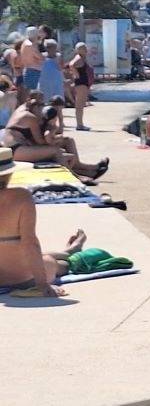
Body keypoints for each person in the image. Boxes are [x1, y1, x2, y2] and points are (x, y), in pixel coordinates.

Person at [0, 152, 66, 297]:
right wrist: (42, 284)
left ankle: (68, 251)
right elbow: (30, 243)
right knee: (52, 263)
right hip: (21, 277)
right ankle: (68, 255)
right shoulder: (21, 197)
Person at [1, 93, 107, 182]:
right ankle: (76, 176)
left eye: (43, 104)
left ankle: (86, 168)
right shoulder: (29, 117)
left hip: (22, 146)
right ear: (30, 101)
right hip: (16, 150)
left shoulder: (25, 108)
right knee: (56, 151)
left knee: (68, 141)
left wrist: (56, 132)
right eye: (40, 104)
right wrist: (53, 133)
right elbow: (41, 141)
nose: (41, 107)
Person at [67, 42, 93, 131]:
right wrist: (76, 74)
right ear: (78, 50)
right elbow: (71, 64)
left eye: (85, 48)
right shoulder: (78, 58)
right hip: (81, 83)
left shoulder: (82, 58)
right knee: (79, 105)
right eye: (83, 48)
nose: (85, 50)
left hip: (83, 82)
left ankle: (80, 124)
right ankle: (79, 125)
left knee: (81, 104)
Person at [38, 39, 64, 105]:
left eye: (53, 47)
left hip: (56, 81)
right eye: (48, 47)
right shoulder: (42, 56)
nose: (50, 49)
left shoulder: (59, 56)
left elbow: (61, 68)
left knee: (58, 99)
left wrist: (56, 60)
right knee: (45, 99)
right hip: (45, 81)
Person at [19, 27, 43, 94]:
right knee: (33, 93)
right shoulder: (30, 45)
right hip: (33, 71)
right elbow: (40, 57)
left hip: (30, 70)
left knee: (30, 93)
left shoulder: (25, 43)